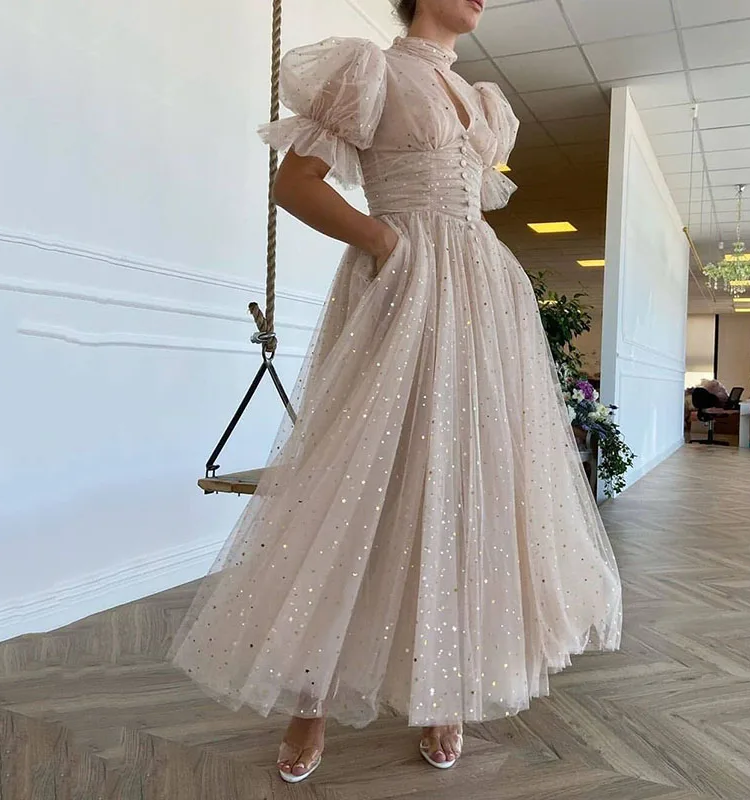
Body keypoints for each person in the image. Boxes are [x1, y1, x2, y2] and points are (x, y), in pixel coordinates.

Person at [168, 0, 622, 784]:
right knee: (360, 481)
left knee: (467, 486)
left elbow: (470, 202)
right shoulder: (369, 70)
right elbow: (295, 185)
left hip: (483, 298)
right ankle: (308, 700)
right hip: (406, 288)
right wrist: (384, 239)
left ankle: (445, 687)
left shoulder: (483, 100)